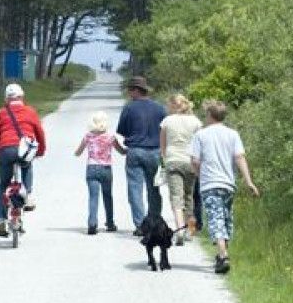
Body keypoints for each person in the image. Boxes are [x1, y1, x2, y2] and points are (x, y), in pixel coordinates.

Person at [189, 99, 260, 274]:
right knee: (226, 219)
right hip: (228, 184)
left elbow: (195, 161)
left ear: (209, 116)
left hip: (210, 184)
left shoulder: (201, 135)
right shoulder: (233, 134)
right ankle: (221, 256)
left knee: (215, 220)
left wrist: (200, 174)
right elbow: (239, 158)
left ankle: (223, 255)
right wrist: (249, 181)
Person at [0, 83, 47, 237]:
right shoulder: (30, 111)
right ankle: (27, 195)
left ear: (7, 99)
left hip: (6, 149)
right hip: (24, 150)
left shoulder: (1, 113)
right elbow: (39, 133)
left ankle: (1, 218)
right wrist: (40, 151)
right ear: (22, 97)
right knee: (27, 166)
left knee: (3, 184)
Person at [115, 75, 167, 235]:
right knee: (154, 189)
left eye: (131, 90)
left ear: (137, 90)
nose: (129, 93)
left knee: (135, 188)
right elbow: (165, 131)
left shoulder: (129, 108)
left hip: (135, 151)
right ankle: (154, 221)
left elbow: (122, 131)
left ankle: (141, 225)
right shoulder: (160, 108)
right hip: (155, 151)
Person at [74, 110, 126, 234]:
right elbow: (121, 151)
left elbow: (78, 151)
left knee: (93, 197)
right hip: (106, 169)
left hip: (91, 168)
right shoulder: (110, 137)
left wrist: (76, 153)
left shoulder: (88, 136)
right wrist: (128, 149)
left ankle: (92, 224)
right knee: (108, 196)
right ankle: (110, 223)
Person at [160, 93, 202, 245]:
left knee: (176, 198)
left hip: (173, 161)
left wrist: (165, 160)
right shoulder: (196, 122)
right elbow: (199, 144)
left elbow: (163, 145)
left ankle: (180, 230)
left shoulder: (167, 121)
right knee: (189, 197)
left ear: (172, 106)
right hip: (190, 161)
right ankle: (190, 231)